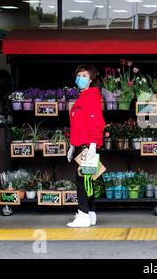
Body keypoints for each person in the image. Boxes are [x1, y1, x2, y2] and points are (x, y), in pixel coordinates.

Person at [67, 65, 105, 228]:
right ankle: (90, 213)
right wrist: (71, 146)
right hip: (81, 145)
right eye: (78, 75)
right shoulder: (82, 97)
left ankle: (83, 214)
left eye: (84, 75)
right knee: (88, 179)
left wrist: (92, 146)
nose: (80, 78)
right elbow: (77, 124)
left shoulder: (91, 97)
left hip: (87, 146)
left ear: (91, 80)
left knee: (82, 181)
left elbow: (96, 122)